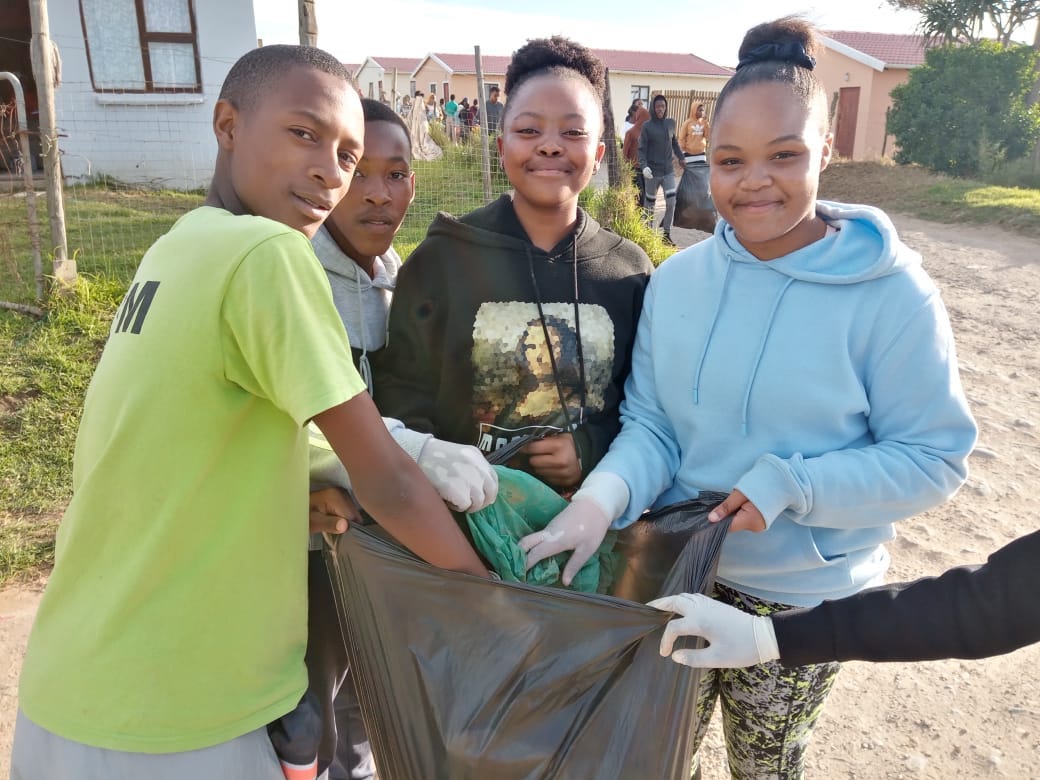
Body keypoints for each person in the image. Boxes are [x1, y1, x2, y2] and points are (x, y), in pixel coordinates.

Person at [10, 45, 488, 780]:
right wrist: (484, 599)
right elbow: (386, 477)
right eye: (304, 134)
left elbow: (180, 442)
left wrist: (286, 494)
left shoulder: (173, 249)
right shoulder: (268, 255)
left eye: (347, 152)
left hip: (73, 684)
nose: (330, 170)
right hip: (177, 709)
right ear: (227, 124)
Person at [521, 16, 977, 778]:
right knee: (657, 754)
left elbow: (934, 459)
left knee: (764, 767)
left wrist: (792, 485)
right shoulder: (678, 281)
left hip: (803, 601)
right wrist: (597, 503)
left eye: (786, 156)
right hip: (675, 565)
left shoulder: (894, 296)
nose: (754, 181)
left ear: (826, 152)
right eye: (730, 160)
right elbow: (654, 426)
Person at [305, 98, 497, 780]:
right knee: (309, 712)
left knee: (372, 696)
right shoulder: (294, 279)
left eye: (398, 172)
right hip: (306, 554)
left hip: (388, 535)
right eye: (359, 172)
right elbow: (300, 420)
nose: (381, 194)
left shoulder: (399, 281)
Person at [377, 35, 654, 497]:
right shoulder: (443, 260)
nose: (549, 146)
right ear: (502, 147)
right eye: (529, 131)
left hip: (587, 527)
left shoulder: (629, 272)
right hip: (462, 526)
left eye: (572, 132)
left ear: (600, 154)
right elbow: (401, 389)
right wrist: (440, 474)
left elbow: (644, 408)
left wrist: (589, 446)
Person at [651, 529, 1040, 669]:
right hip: (694, 567)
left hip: (802, 589)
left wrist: (772, 636)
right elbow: (991, 601)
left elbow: (992, 602)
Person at [638, 93, 685, 245]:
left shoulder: (671, 123)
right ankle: (647, 234)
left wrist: (681, 157)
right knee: (649, 205)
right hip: (652, 173)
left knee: (671, 202)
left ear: (666, 108)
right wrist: (644, 166)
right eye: (658, 106)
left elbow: (675, 142)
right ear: (653, 107)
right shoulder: (647, 127)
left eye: (663, 106)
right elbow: (641, 149)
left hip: (668, 172)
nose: (660, 109)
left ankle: (666, 234)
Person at [622, 105, 651, 211]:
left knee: (644, 198)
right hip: (634, 170)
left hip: (646, 170)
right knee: (638, 198)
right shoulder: (630, 133)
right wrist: (626, 171)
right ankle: (636, 221)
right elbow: (624, 153)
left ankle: (639, 221)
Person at [406, 89, 442, 160]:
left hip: (423, 126)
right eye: (420, 95)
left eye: (422, 96)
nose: (421, 97)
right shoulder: (415, 105)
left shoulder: (424, 106)